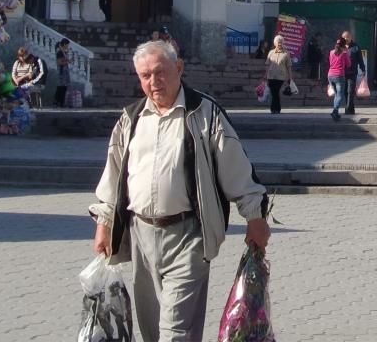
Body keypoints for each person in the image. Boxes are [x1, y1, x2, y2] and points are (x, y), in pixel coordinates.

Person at [90, 40, 269, 342]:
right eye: (145, 76)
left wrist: (255, 216)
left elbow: (236, 167)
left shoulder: (204, 113)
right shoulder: (131, 118)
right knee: (151, 330)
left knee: (174, 331)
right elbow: (114, 174)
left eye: (160, 72)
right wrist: (104, 223)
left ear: (179, 68)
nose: (154, 81)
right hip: (141, 236)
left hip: (188, 236)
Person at [265, 36, 293, 115]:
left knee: (276, 92)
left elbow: (289, 66)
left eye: (281, 42)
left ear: (283, 43)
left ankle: (276, 108)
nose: (279, 44)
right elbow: (267, 65)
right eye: (278, 42)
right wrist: (265, 75)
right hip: (271, 76)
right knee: (273, 92)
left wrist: (290, 77)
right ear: (275, 43)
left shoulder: (286, 53)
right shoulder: (271, 52)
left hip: (280, 77)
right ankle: (274, 109)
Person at [341, 30, 364, 116]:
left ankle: (347, 109)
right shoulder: (340, 47)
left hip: (352, 72)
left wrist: (363, 69)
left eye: (347, 37)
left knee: (350, 90)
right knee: (345, 91)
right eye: (344, 37)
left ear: (351, 37)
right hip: (342, 72)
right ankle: (351, 109)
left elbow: (360, 59)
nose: (346, 38)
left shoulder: (356, 47)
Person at [327, 36, 349, 121]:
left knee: (336, 94)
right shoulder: (344, 53)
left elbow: (330, 62)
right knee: (340, 95)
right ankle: (335, 111)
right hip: (339, 76)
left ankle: (336, 113)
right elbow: (348, 64)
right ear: (344, 45)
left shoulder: (331, 52)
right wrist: (346, 52)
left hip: (330, 75)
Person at [55, 38, 72, 107]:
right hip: (61, 72)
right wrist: (67, 62)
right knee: (61, 88)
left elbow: (64, 60)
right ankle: (59, 102)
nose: (68, 46)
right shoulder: (59, 52)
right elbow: (59, 62)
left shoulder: (64, 52)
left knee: (63, 87)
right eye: (67, 44)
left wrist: (68, 60)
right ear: (64, 44)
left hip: (65, 71)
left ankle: (59, 102)